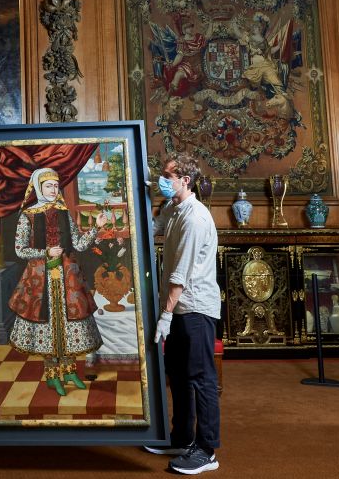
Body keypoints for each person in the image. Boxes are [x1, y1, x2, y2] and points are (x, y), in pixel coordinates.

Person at [145, 153, 221, 475]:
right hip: (178, 309)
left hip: (196, 309)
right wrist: (145, 196)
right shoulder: (172, 208)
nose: (163, 179)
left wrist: (164, 315)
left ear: (184, 180)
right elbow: (151, 228)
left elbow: (180, 274)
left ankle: (206, 450)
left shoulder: (195, 218)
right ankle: (181, 437)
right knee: (177, 374)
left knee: (200, 379)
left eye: (167, 175)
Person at [7, 167, 107, 396]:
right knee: (49, 326)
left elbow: (80, 245)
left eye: (55, 185)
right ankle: (53, 376)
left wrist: (96, 228)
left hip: (68, 278)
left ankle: (70, 371)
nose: (53, 189)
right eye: (48, 186)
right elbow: (20, 250)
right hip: (40, 279)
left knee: (70, 323)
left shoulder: (64, 212)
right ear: (38, 188)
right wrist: (45, 253)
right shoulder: (28, 215)